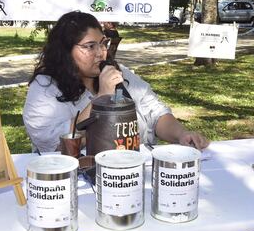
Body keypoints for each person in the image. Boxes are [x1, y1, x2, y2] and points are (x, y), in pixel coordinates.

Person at [24, 11, 209, 153]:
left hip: (131, 172)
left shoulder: (117, 73)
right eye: (90, 46)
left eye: (103, 43)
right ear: (65, 51)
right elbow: (54, 143)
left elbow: (155, 112)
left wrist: (181, 134)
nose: (101, 52)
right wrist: (101, 98)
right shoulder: (45, 87)